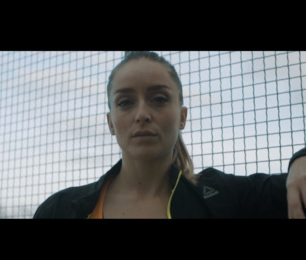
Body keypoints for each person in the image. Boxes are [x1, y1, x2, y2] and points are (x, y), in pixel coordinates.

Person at [33, 51, 306, 219]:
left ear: (182, 116)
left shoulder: (222, 198)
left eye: (159, 99)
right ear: (111, 122)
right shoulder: (60, 210)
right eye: (125, 102)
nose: (142, 114)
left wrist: (301, 161)